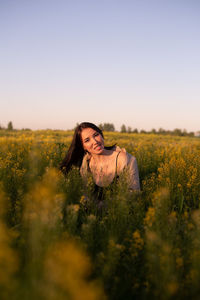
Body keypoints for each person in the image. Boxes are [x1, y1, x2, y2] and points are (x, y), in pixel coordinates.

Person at [60, 122, 140, 205]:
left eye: (96, 135)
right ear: (83, 146)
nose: (95, 141)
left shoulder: (126, 159)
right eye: (87, 140)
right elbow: (86, 194)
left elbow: (134, 193)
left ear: (101, 135)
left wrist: (103, 206)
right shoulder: (85, 163)